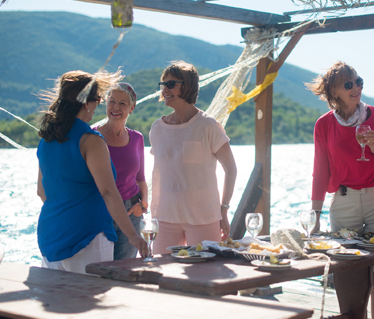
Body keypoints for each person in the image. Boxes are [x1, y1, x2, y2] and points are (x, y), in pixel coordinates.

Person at [307, 61, 374, 319]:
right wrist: (315, 215)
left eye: (359, 82)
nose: (356, 88)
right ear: (334, 92)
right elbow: (320, 172)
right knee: (348, 284)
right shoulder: (324, 125)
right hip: (343, 203)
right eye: (349, 84)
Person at [36, 70, 148, 274]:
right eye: (98, 99)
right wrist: (133, 235)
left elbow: (42, 192)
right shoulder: (91, 140)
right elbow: (108, 192)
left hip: (50, 233)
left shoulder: (48, 137)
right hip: (88, 235)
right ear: (87, 102)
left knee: (57, 299)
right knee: (90, 300)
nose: (97, 106)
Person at [149, 61, 237, 253]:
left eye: (171, 84)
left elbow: (231, 169)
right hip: (165, 217)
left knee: (206, 274)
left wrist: (224, 209)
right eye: (163, 85)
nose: (165, 90)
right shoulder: (157, 128)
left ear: (187, 87)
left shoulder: (208, 125)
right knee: (163, 274)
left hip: (204, 217)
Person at [94, 82, 148, 260]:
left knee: (125, 270)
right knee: (99, 269)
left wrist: (143, 204)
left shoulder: (137, 138)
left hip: (131, 212)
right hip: (100, 210)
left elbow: (141, 179)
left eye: (122, 103)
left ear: (132, 108)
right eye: (111, 102)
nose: (115, 107)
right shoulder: (91, 137)